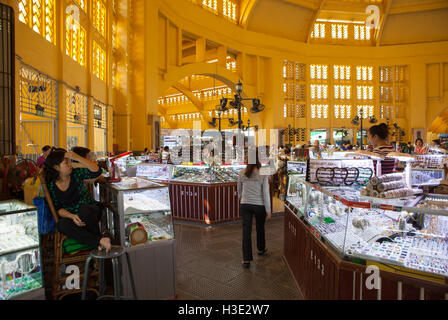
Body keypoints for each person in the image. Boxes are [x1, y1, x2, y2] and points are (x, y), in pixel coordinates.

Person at [44, 149, 111, 254]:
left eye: (69, 161)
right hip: (74, 218)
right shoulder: (52, 186)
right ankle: (99, 241)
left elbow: (97, 171)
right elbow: (58, 208)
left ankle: (96, 244)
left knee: (84, 210)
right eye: (66, 162)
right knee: (61, 225)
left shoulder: (76, 174)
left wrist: (76, 157)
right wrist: (72, 216)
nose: (70, 164)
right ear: (56, 167)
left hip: (90, 212)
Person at [238, 149, 271, 269]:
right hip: (259, 205)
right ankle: (261, 249)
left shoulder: (242, 172)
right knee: (260, 227)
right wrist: (268, 209)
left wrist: (243, 200)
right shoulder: (263, 173)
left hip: (245, 204)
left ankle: (246, 259)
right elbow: (266, 194)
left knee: (246, 231)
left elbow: (239, 191)